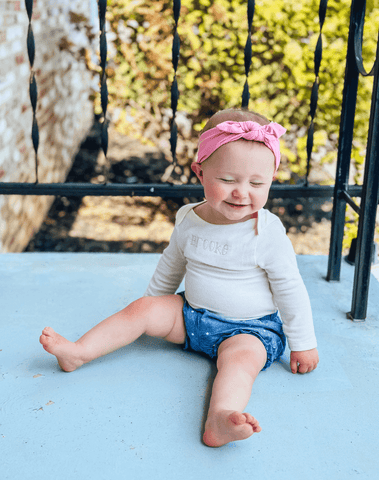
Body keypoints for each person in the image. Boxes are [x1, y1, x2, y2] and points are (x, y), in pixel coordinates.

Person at [40, 108, 319, 448]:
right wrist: (153, 305)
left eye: (257, 183)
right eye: (228, 180)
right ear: (200, 172)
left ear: (271, 178)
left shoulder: (267, 233)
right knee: (143, 308)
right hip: (191, 316)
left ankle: (220, 419)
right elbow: (172, 263)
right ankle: (78, 352)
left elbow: (290, 289)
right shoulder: (189, 217)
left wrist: (303, 342)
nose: (241, 192)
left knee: (239, 365)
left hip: (251, 329)